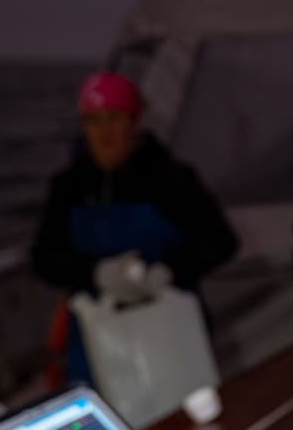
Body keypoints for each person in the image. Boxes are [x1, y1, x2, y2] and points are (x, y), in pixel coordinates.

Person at [31, 71, 238, 380]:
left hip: (170, 332)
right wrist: (95, 273)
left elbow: (221, 241)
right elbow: (44, 257)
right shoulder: (68, 186)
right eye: (93, 120)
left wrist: (169, 270)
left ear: (134, 122)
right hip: (97, 339)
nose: (104, 133)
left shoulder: (171, 178)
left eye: (114, 118)